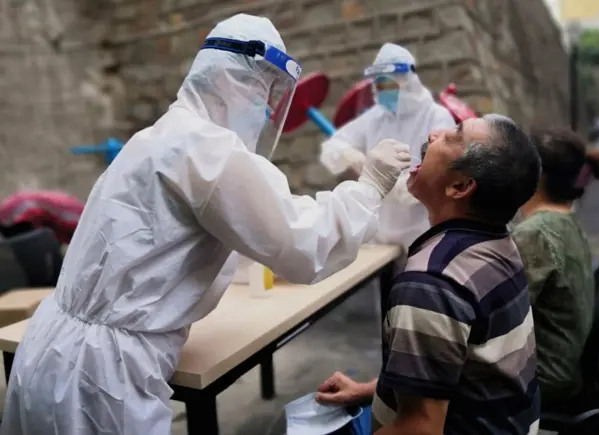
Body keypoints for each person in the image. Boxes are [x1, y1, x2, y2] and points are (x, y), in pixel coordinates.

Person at [0, 14, 412, 435]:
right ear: (236, 81)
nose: (268, 109)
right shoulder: (208, 148)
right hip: (105, 379)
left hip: (48, 352)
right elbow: (304, 245)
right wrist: (369, 187)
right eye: (265, 93)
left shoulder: (156, 137)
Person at [317, 115, 542, 434]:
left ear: (460, 186)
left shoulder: (431, 283)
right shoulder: (498, 245)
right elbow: (459, 367)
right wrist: (374, 391)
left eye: (453, 136)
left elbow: (419, 428)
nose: (435, 133)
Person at [512, 127, 599, 410]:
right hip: (566, 365)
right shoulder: (564, 220)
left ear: (536, 175)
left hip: (545, 376)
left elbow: (500, 315)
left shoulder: (535, 233)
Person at [319, 43, 456, 250]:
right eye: (379, 86)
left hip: (423, 236)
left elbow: (441, 172)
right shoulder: (376, 117)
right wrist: (351, 157)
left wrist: (403, 186)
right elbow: (333, 145)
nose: (384, 92)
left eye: (390, 85)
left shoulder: (436, 116)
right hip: (380, 240)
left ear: (408, 82)